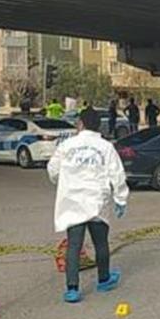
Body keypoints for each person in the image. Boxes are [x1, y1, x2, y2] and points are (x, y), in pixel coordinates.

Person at [47, 107, 128, 304]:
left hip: (73, 201)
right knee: (101, 242)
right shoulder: (105, 147)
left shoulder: (67, 145)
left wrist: (64, 181)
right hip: (96, 200)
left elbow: (53, 170)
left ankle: (72, 288)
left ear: (80, 124)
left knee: (74, 244)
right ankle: (103, 279)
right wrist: (120, 198)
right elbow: (116, 174)